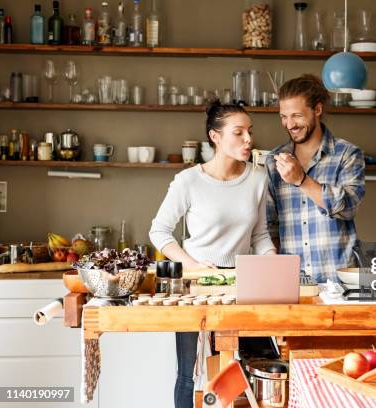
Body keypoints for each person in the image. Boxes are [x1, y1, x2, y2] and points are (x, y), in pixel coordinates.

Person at [149, 101, 275, 408]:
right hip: (194, 284)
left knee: (247, 364)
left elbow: (259, 236)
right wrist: (191, 265)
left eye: (250, 131)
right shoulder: (189, 180)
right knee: (188, 373)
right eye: (238, 132)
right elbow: (159, 231)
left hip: (240, 284)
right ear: (215, 137)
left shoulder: (258, 179)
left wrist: (275, 264)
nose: (248, 139)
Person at [265, 74, 366, 281]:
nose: (289, 124)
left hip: (340, 279)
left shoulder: (347, 154)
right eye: (283, 116)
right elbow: (271, 225)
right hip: (292, 280)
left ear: (317, 110)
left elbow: (348, 207)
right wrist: (275, 273)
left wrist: (302, 180)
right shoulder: (274, 161)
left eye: (297, 115)